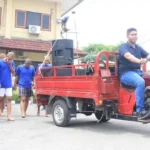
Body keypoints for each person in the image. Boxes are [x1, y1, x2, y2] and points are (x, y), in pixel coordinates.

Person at [118, 28, 150, 120]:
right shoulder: (123, 47)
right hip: (126, 74)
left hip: (137, 72)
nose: (134, 36)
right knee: (140, 82)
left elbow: (147, 55)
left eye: (135, 34)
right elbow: (129, 57)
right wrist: (140, 61)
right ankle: (140, 111)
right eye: (132, 34)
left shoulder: (138, 47)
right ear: (127, 36)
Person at [0, 52, 15, 121]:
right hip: (1, 83)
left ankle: (9, 116)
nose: (10, 60)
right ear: (6, 56)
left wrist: (10, 65)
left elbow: (13, 73)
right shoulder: (0, 62)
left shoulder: (11, 62)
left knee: (9, 99)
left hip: (8, 83)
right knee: (1, 98)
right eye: (9, 59)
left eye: (11, 59)